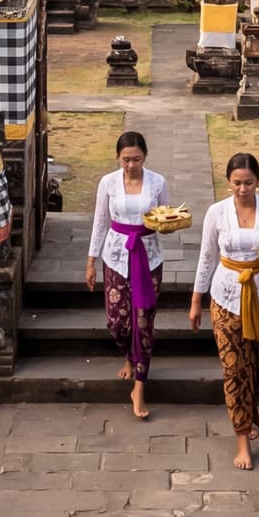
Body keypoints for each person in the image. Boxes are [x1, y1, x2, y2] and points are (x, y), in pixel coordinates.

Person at [190, 152, 259, 470]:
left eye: (248, 182)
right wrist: (196, 300)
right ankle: (242, 437)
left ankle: (251, 408)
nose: (243, 189)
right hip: (226, 294)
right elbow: (207, 257)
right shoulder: (217, 213)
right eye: (236, 183)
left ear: (257, 181)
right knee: (235, 369)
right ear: (228, 182)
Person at [84, 129, 169, 420]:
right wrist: (91, 260)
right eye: (126, 160)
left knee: (143, 319)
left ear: (145, 157)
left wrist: (166, 222)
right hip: (117, 254)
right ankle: (129, 356)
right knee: (117, 320)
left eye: (137, 159)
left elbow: (164, 217)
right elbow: (100, 222)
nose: (131, 165)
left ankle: (139, 387)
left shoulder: (157, 182)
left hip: (147, 255)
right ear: (118, 158)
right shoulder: (108, 183)